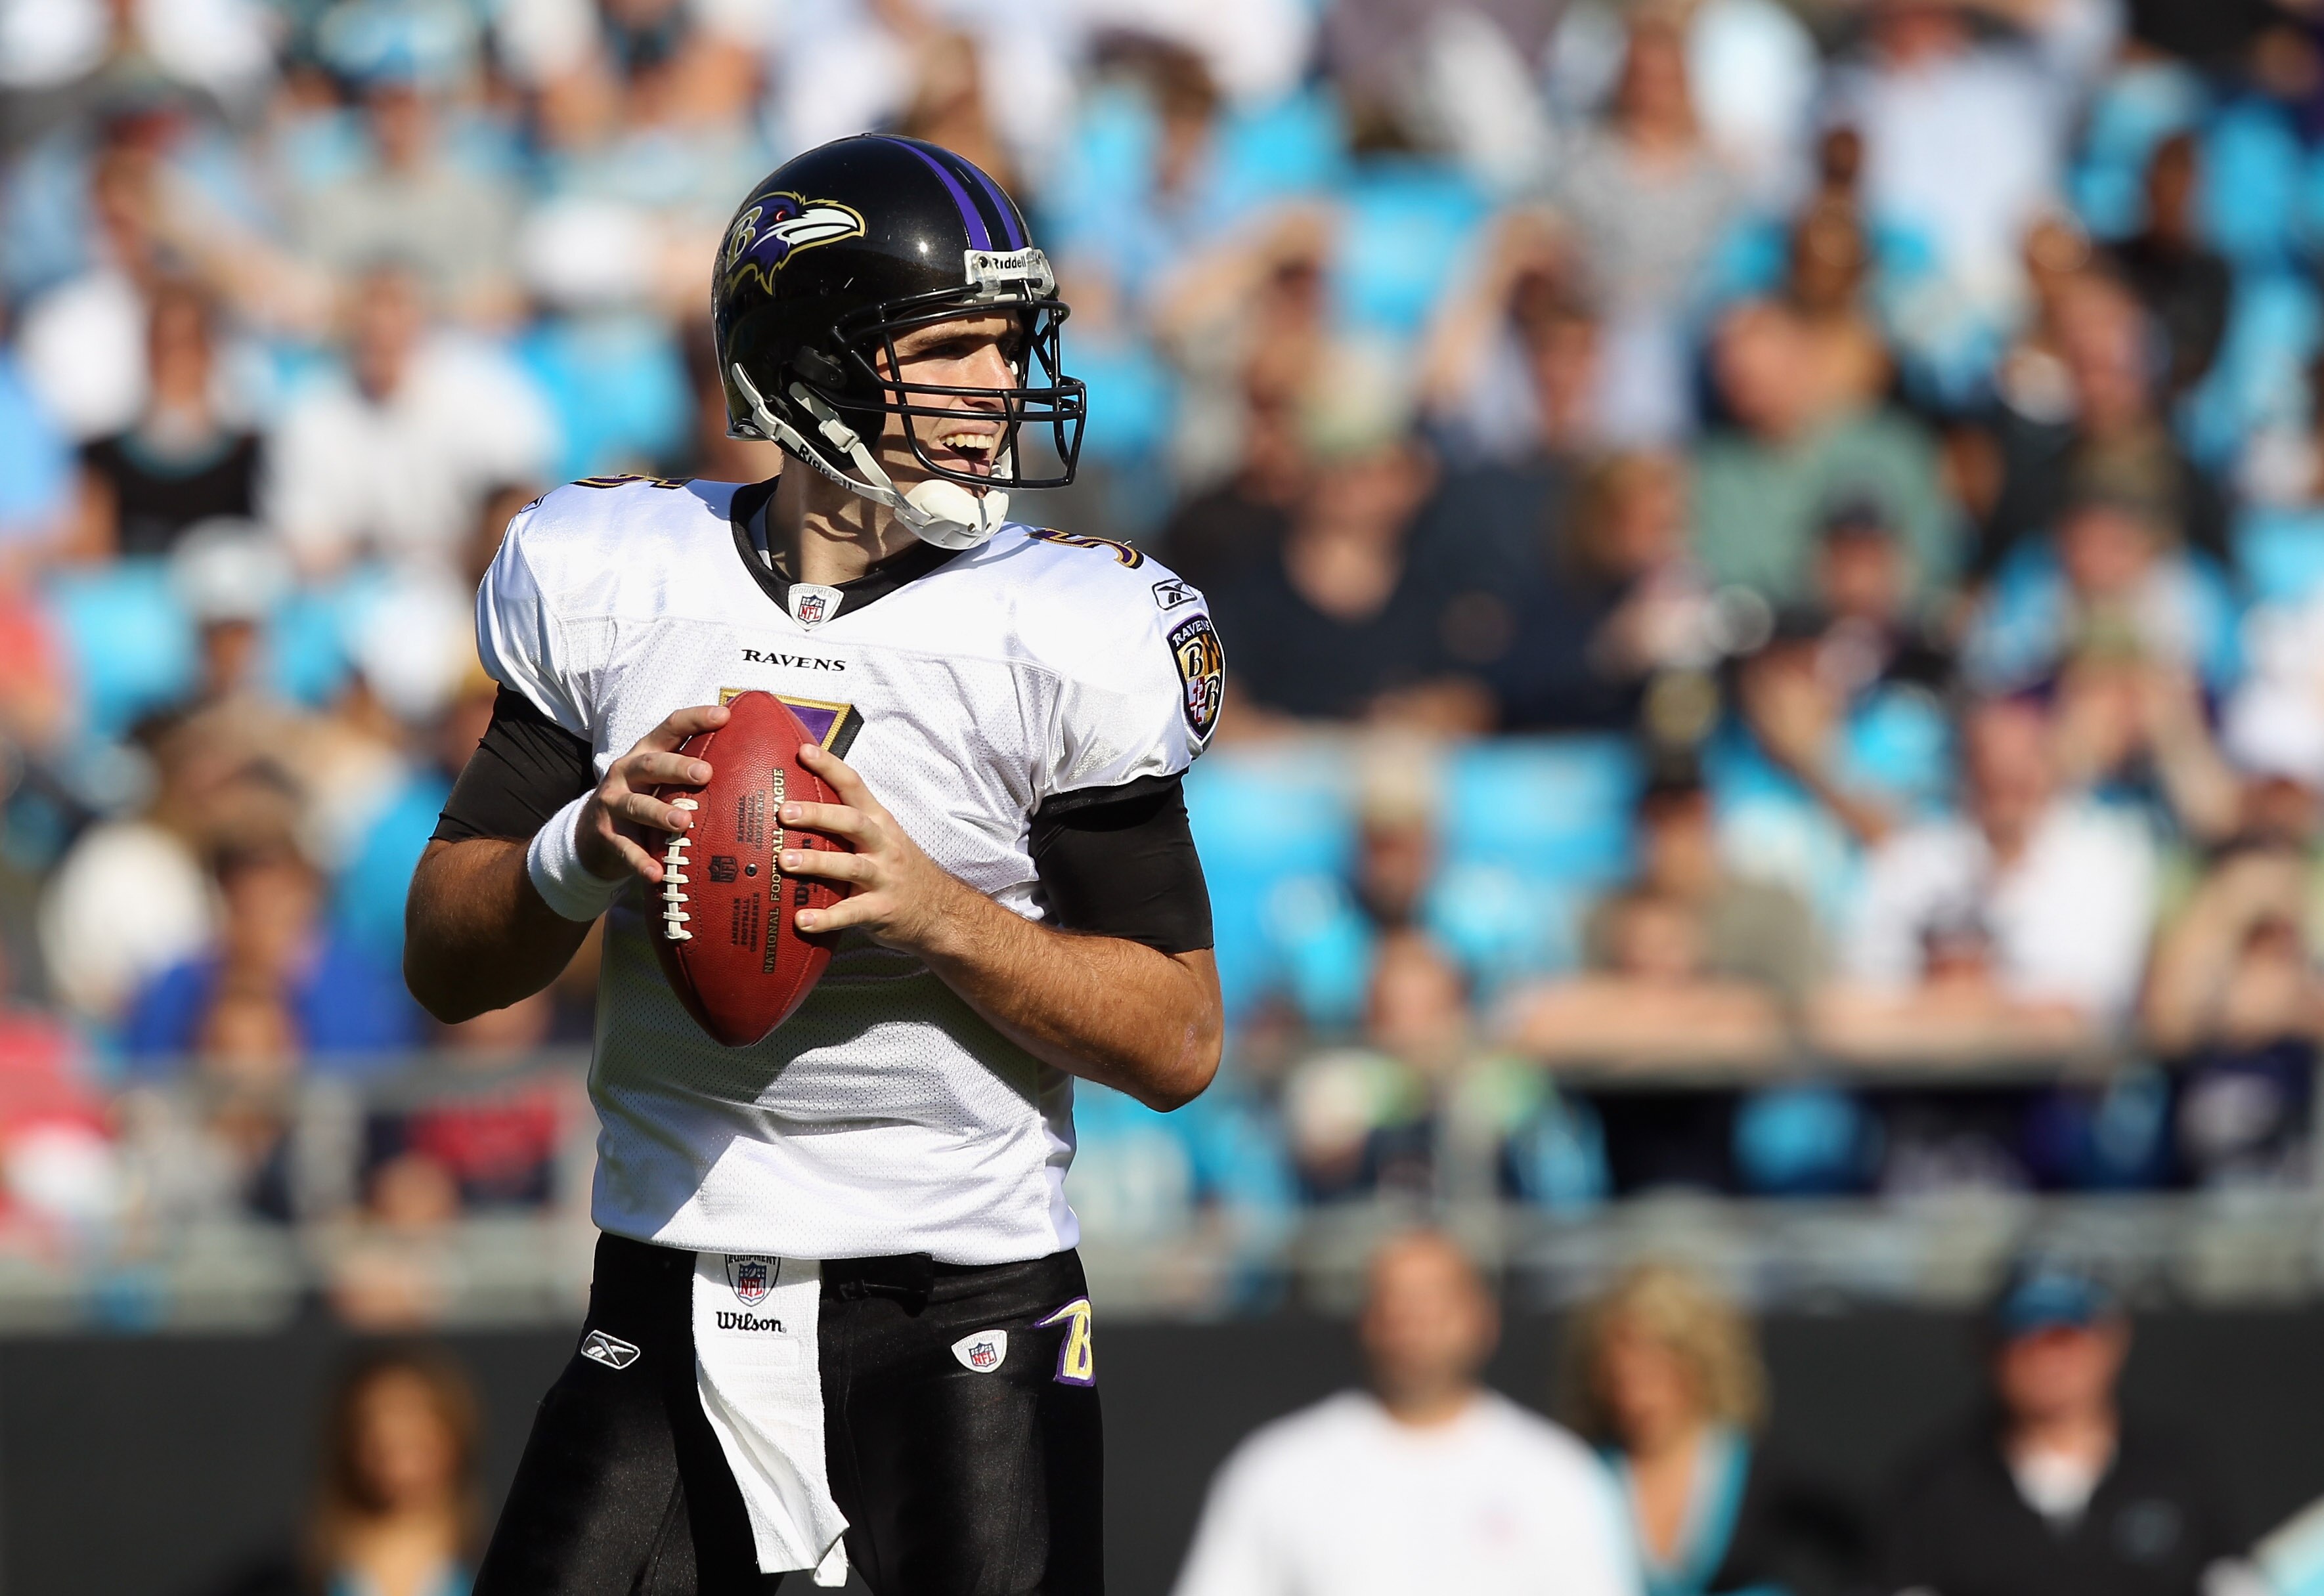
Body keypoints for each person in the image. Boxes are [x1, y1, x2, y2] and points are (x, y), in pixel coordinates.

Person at [404, 138, 1225, 1591]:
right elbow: (445, 961)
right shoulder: (609, 577)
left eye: (1007, 341)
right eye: (950, 344)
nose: (993, 382)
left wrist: (942, 919)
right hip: (660, 1281)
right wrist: (576, 850)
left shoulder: (1066, 630)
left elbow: (1176, 1037)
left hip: (958, 1309)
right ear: (807, 365)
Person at [1172, 1230, 1635, 1596]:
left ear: (1482, 1318)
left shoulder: (1558, 1474)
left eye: (1433, 1305)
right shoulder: (1276, 1469)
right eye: (1395, 1304)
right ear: (1367, 1319)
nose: (1412, 1326)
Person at [1881, 1258, 2243, 1596]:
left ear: (2112, 1341)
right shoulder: (1937, 1484)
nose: (2047, 1360)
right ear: (1991, 1351)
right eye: (2025, 1339)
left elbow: (2234, 1581)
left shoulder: (2177, 1469)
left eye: (2064, 1338)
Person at [1561, 1264, 1864, 1595]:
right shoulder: (1580, 1481)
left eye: (1655, 1372)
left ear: (1698, 1363)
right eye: (1621, 1379)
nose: (1636, 1397)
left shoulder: (1767, 1473)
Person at [203, 1347, 483, 1596]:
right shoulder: (275, 1582)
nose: (395, 1443)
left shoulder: (507, 1572)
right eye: (373, 1424)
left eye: (417, 1425)